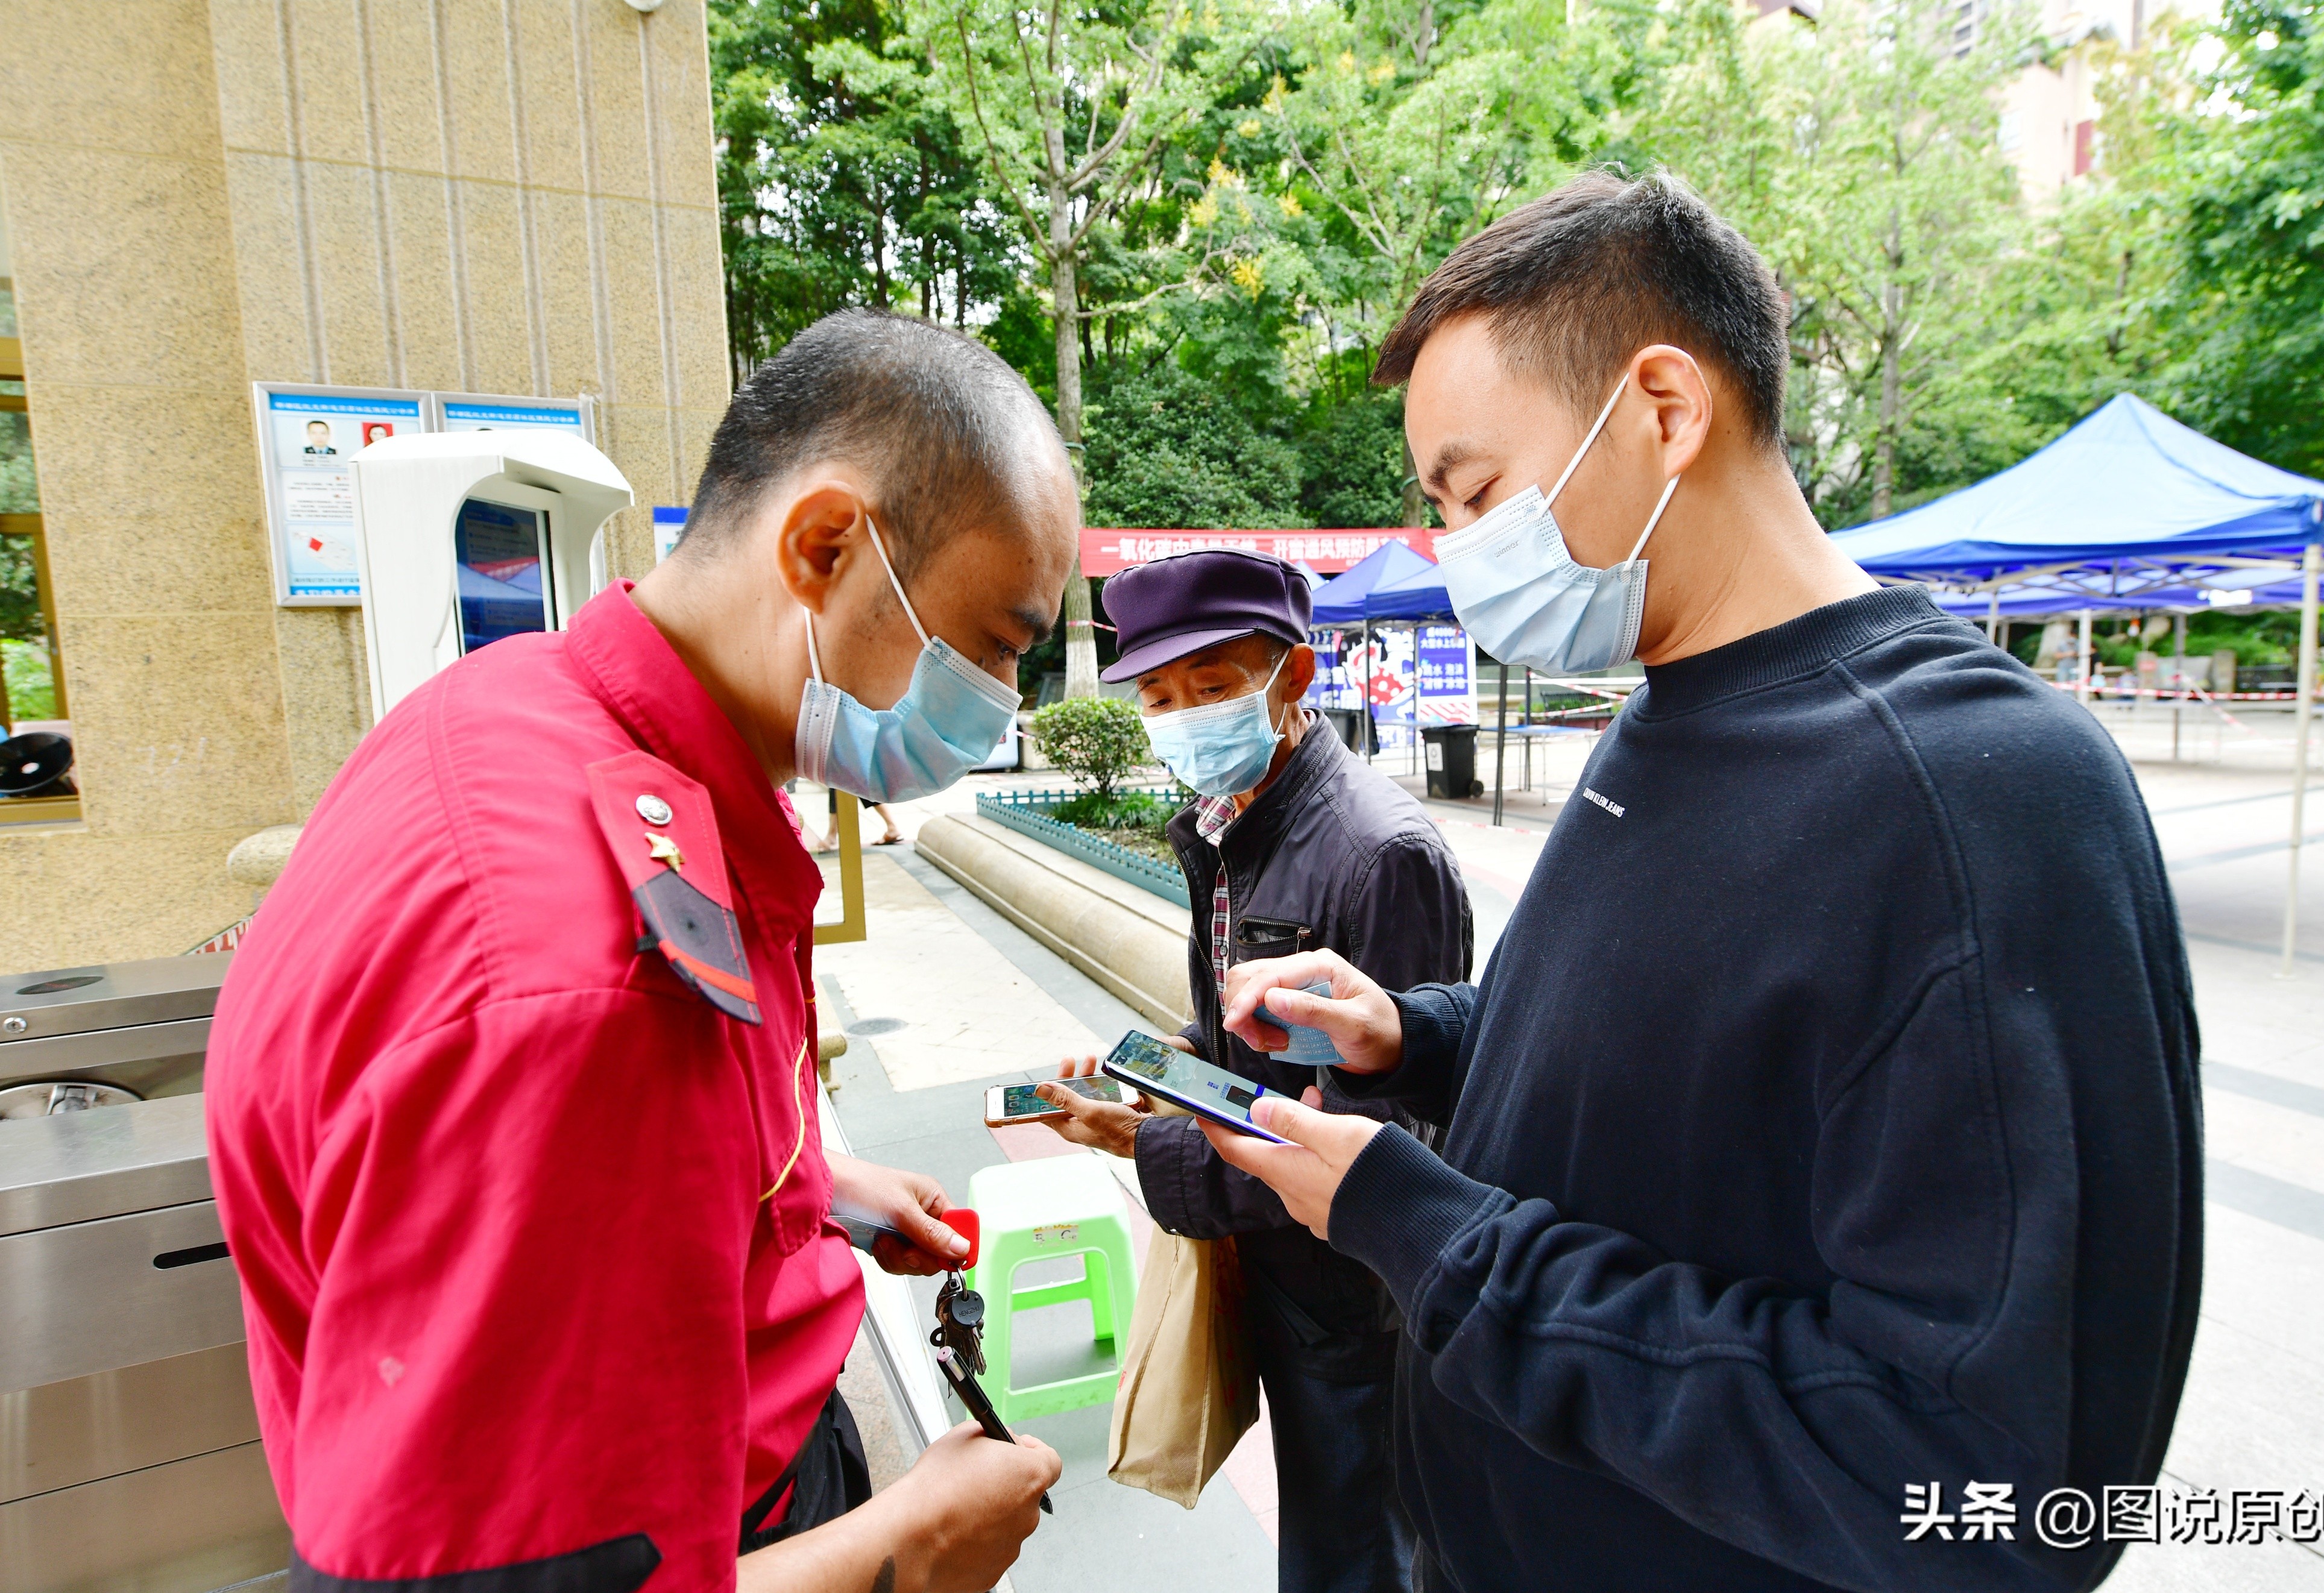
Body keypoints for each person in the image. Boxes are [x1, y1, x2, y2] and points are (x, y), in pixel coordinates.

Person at [1196, 174, 2201, 1593]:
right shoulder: (1666, 707)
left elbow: (1982, 1479)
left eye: (1473, 492)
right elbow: (1680, 1066)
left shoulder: (1978, 797)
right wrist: (1417, 1032)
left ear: (1666, 407)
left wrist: (1427, 1231)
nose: (1458, 547)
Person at [206, 310, 1074, 1593]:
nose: (1000, 700)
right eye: (996, 645)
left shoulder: (521, 707)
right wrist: (913, 1546)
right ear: (826, 546)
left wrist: (804, 1185)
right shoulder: (589, 993)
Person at [1034, 548, 1472, 1593]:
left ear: (1295, 678)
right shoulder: (1224, 826)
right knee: (1327, 1511)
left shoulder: (1379, 853)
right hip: (1276, 1255)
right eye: (1158, 695)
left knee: (1354, 1534)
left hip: (1354, 1282)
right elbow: (1236, 1037)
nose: (1184, 715)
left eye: (1215, 686)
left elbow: (1392, 1130)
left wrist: (1157, 1146)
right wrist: (1164, 1074)